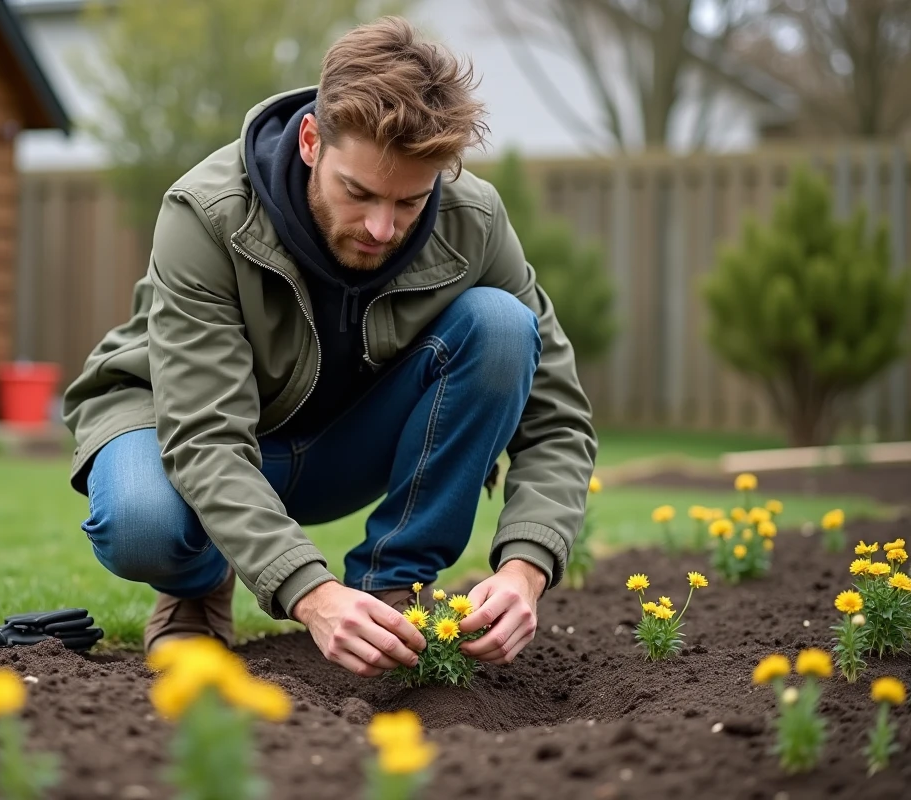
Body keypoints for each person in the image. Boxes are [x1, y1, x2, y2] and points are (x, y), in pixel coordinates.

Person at [62, 16, 597, 677]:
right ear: (312, 141)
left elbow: (558, 420)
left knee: (501, 325)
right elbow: (204, 437)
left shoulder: (475, 221)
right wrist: (309, 594)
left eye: (409, 201)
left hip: (343, 445)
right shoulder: (205, 213)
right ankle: (199, 591)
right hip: (182, 426)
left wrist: (526, 569)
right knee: (141, 523)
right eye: (360, 192)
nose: (381, 227)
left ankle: (390, 595)